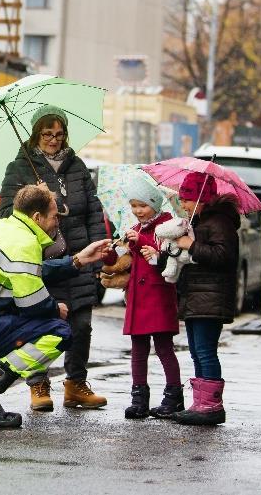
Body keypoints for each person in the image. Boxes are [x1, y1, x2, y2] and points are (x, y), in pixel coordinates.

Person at [0, 184, 113, 428]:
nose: (58, 221)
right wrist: (56, 309)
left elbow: (30, 272)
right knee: (57, 331)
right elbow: (33, 305)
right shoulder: (25, 243)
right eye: (55, 215)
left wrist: (77, 261)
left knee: (3, 329)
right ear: (37, 217)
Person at [0, 106, 108, 411]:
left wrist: (98, 256)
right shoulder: (19, 168)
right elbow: (6, 214)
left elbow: (94, 212)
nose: (54, 140)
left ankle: (76, 385)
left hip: (80, 255)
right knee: (42, 324)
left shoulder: (77, 166)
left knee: (81, 325)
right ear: (36, 134)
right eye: (47, 134)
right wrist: (36, 196)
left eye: (59, 134)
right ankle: (38, 384)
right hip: (42, 260)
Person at [104, 178, 183, 420]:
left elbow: (168, 256)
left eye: (143, 206)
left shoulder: (167, 225)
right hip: (138, 299)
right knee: (138, 349)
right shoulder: (134, 229)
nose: (138, 211)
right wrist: (108, 254)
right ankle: (139, 398)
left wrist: (143, 242)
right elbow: (118, 262)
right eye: (134, 206)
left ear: (154, 204)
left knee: (163, 348)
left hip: (159, 296)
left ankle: (174, 396)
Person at [167, 171, 241, 426]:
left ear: (201, 198)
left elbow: (223, 256)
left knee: (206, 351)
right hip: (198, 296)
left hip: (211, 297)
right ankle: (201, 403)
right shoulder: (202, 222)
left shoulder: (219, 222)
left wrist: (190, 244)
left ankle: (210, 407)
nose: (183, 205)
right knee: (198, 352)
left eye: (186, 199)